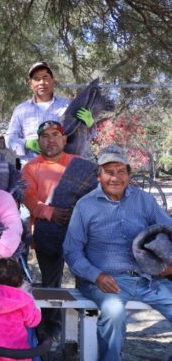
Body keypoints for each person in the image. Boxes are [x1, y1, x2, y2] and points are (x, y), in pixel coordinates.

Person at [63, 145, 172, 361]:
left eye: (121, 171)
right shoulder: (85, 206)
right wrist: (96, 276)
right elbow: (71, 251)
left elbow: (168, 229)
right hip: (105, 281)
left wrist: (167, 265)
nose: (115, 177)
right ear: (98, 176)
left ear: (129, 175)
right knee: (113, 313)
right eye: (109, 171)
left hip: (147, 280)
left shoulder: (144, 200)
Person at [21, 120, 78, 336]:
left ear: (64, 139)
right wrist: (50, 213)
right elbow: (30, 200)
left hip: (78, 230)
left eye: (55, 134)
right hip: (47, 232)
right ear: (39, 142)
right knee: (51, 282)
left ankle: (81, 328)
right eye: (45, 136)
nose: (51, 139)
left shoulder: (78, 163)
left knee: (84, 278)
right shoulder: (31, 168)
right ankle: (50, 329)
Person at [5, 61, 94, 163]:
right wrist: (26, 143)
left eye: (45, 78)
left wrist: (90, 124)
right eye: (36, 79)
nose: (41, 82)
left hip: (62, 168)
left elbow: (84, 136)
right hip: (31, 169)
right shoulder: (21, 110)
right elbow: (9, 139)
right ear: (31, 84)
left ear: (53, 81)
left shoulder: (68, 106)